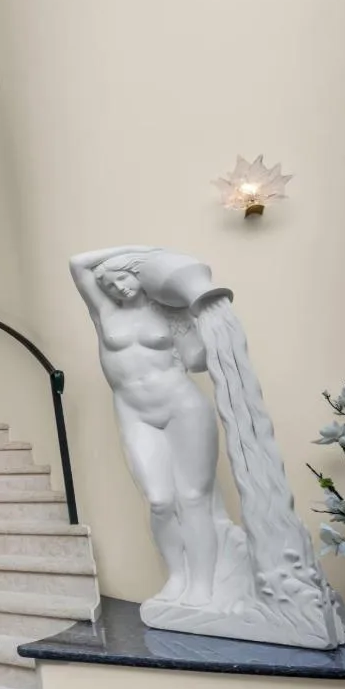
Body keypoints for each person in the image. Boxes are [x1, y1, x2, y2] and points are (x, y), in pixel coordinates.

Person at [69, 246, 219, 607]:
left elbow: (197, 362)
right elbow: (78, 263)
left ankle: (202, 583)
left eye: (122, 277)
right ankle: (177, 576)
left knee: (193, 498)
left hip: (182, 406)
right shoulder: (104, 313)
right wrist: (145, 253)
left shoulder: (169, 311)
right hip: (135, 413)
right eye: (109, 285)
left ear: (138, 275)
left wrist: (200, 323)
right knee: (160, 500)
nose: (117, 287)